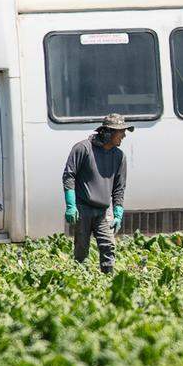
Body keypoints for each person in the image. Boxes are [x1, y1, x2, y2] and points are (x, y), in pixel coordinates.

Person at [62, 114, 132, 273]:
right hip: (82, 208)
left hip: (103, 211)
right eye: (120, 132)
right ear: (107, 133)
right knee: (81, 250)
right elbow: (69, 175)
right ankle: (80, 279)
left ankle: (108, 280)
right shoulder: (83, 149)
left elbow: (119, 188)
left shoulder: (119, 157)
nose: (124, 135)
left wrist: (118, 212)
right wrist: (71, 205)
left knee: (108, 246)